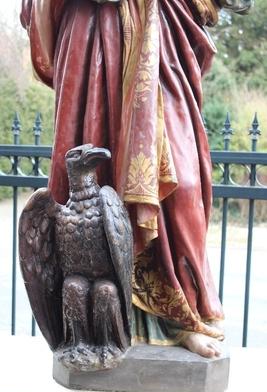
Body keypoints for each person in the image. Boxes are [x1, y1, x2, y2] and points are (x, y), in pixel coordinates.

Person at [21, 0, 245, 358]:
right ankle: (104, 326)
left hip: (161, 33)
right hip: (95, 32)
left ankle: (180, 317)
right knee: (97, 174)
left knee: (183, 185)